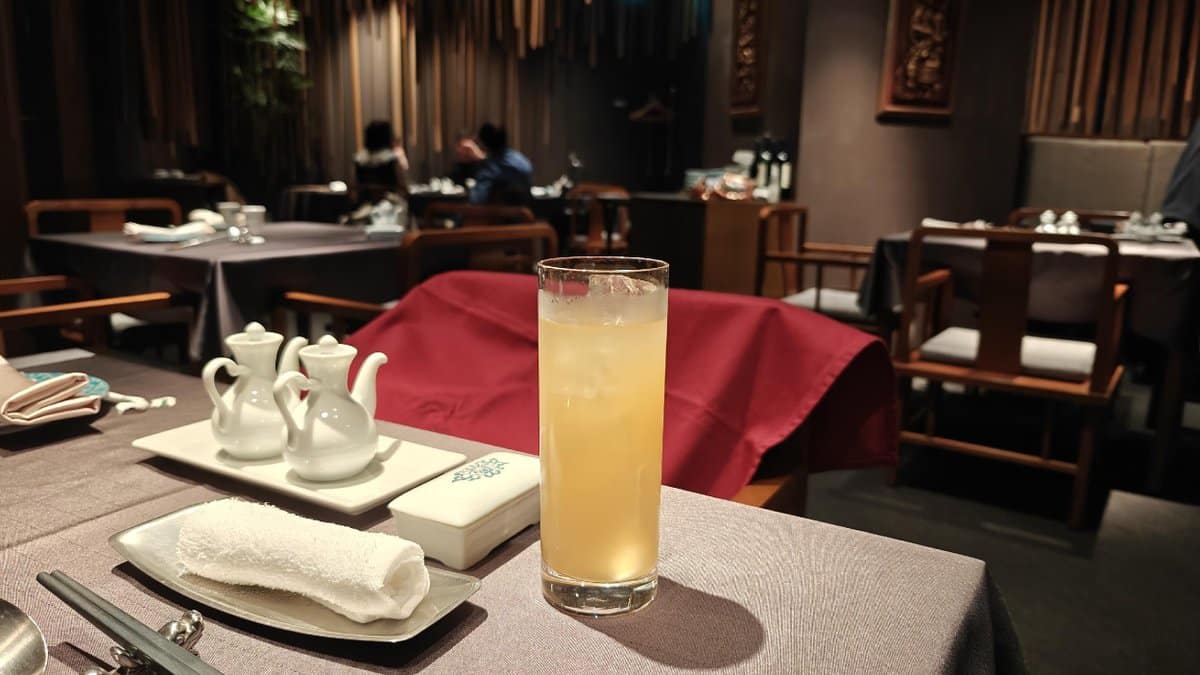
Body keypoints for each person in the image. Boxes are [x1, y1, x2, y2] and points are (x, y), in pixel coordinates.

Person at [460, 123, 533, 205]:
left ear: (484, 144)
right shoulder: (522, 161)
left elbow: (477, 200)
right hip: (524, 214)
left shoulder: (490, 169)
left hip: (498, 215)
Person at [354, 121, 409, 194]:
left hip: (364, 202)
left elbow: (354, 186)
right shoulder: (391, 159)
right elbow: (402, 185)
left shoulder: (359, 159)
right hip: (390, 201)